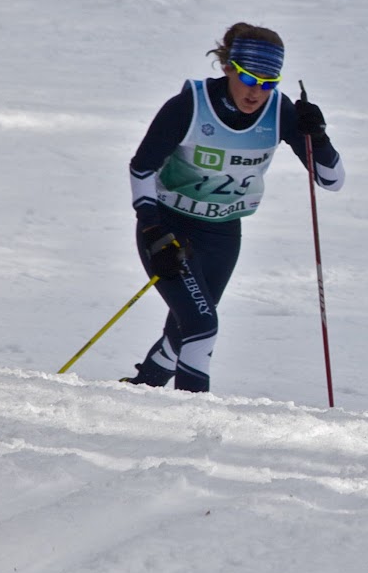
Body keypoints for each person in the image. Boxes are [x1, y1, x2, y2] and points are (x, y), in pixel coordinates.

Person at [123, 22, 344, 392]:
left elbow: (332, 180)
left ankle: (140, 389)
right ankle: (189, 417)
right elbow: (141, 168)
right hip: (170, 227)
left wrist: (318, 137)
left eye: (268, 83)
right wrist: (152, 229)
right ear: (228, 67)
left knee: (183, 330)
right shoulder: (190, 106)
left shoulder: (279, 111)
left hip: (224, 234)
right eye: (248, 78)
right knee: (201, 327)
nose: (256, 92)